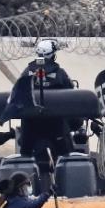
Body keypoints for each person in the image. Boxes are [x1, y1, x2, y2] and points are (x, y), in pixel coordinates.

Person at [19, 39, 74, 190]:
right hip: (56, 125)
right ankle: (66, 186)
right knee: (67, 155)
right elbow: (71, 98)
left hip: (31, 126)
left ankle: (28, 188)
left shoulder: (27, 72)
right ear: (53, 55)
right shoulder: (60, 74)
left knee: (25, 155)